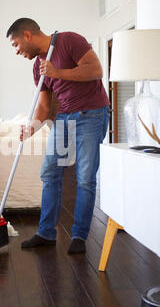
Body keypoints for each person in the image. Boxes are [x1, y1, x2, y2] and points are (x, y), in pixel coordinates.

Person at [6, 18, 110, 254]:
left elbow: (96, 70)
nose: (16, 51)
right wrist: (31, 128)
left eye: (15, 44)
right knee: (50, 172)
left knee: (85, 177)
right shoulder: (37, 67)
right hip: (64, 119)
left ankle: (80, 236)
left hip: (91, 115)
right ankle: (46, 233)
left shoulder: (69, 40)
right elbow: (43, 107)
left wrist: (58, 72)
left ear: (28, 35)